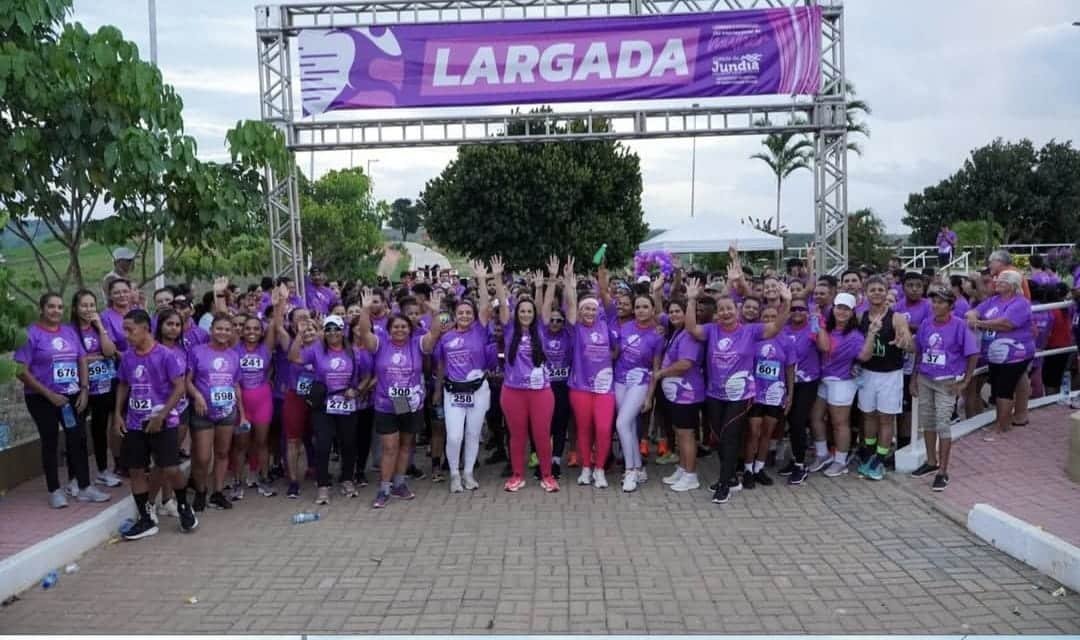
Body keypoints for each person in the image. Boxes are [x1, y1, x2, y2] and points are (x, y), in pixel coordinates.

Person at [683, 258, 791, 505]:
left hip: (741, 395)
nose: (725, 313)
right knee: (720, 438)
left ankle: (724, 484)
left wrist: (786, 302)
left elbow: (775, 328)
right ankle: (731, 476)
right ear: (717, 314)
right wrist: (690, 300)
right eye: (721, 310)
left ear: (737, 310)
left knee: (730, 436)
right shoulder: (711, 330)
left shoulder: (750, 331)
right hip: (714, 394)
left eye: (729, 309)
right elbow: (691, 328)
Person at [15, 293, 111, 507]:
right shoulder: (30, 334)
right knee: (50, 440)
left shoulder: (69, 331)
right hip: (41, 398)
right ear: (42, 309)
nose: (56, 311)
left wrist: (84, 390)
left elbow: (82, 359)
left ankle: (84, 487)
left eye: (59, 307)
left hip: (71, 396)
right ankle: (55, 490)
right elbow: (21, 370)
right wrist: (49, 395)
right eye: (51, 306)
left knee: (77, 439)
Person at [354, 290, 443, 509]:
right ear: (389, 329)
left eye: (404, 326)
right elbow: (364, 332)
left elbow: (434, 334)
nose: (400, 330)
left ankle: (400, 483)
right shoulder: (381, 344)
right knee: (389, 447)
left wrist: (435, 312)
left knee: (405, 445)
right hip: (385, 403)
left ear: (410, 329)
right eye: (395, 327)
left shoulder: (417, 344)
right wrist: (365, 310)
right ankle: (384, 488)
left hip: (407, 402)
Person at [113, 309, 197, 539]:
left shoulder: (165, 355)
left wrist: (162, 416)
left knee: (170, 467)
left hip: (164, 422)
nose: (126, 335)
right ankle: (146, 519)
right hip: (135, 423)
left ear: (145, 328)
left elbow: (179, 387)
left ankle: (183, 506)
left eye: (130, 330)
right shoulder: (128, 357)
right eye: (124, 330)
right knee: (136, 469)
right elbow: (123, 384)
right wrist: (118, 414)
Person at [497, 256, 560, 492]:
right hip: (513, 392)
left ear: (534, 313)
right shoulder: (509, 328)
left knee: (542, 434)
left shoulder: (541, 327)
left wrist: (551, 278)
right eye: (522, 311)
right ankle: (517, 475)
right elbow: (503, 303)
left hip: (540, 392)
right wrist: (496, 277)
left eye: (529, 311)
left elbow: (547, 303)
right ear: (516, 313)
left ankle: (547, 475)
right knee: (517, 436)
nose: (525, 314)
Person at [909, 289, 979, 492]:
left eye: (940, 302)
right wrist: (913, 378)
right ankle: (931, 462)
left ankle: (943, 471)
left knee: (943, 424)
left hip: (947, 382)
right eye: (934, 302)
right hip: (925, 378)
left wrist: (965, 381)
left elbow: (973, 353)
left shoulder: (959, 325)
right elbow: (920, 352)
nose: (935, 305)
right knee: (928, 422)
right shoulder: (926, 324)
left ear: (950, 306)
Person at [433, 262, 492, 493]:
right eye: (461, 313)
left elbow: (486, 307)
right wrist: (437, 391)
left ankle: (468, 473)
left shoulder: (479, 330)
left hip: (478, 390)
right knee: (455, 436)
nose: (465, 316)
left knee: (473, 434)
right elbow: (441, 365)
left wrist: (482, 280)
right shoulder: (446, 337)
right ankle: (454, 475)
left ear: (474, 316)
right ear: (455, 315)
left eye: (469, 313)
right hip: (453, 392)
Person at [291, 314, 361, 504]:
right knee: (323, 444)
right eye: (328, 329)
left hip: (346, 403)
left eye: (336, 329)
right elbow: (294, 358)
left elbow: (365, 376)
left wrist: (356, 390)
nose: (332, 333)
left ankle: (347, 479)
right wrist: (299, 335)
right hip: (323, 404)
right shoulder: (316, 349)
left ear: (343, 331)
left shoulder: (353, 352)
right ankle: (323, 485)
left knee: (348, 443)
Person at [562, 257, 618, 490]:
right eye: (586, 308)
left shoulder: (606, 324)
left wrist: (602, 270)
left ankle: (599, 469)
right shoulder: (575, 328)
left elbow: (605, 294)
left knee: (603, 429)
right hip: (580, 387)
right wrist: (569, 283)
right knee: (583, 429)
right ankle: (586, 467)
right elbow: (570, 306)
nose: (589, 312)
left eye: (593, 309)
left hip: (604, 388)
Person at [854, 276, 913, 481]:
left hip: (890, 374)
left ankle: (880, 459)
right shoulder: (860, 317)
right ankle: (870, 454)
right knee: (868, 415)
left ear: (887, 292)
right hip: (867, 373)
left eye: (880, 289)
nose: (877, 293)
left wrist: (903, 341)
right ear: (865, 293)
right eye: (872, 290)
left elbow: (907, 340)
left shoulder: (897, 317)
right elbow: (855, 344)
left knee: (886, 418)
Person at [187, 313, 247, 511]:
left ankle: (218, 492)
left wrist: (242, 413)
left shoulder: (234, 355)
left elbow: (236, 384)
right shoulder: (197, 351)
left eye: (227, 330)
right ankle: (201, 490)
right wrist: (197, 396)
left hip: (227, 411)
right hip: (203, 411)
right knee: (202, 457)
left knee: (222, 453)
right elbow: (187, 381)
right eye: (219, 328)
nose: (223, 332)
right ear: (211, 330)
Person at [966, 270, 1034, 441]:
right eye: (998, 279)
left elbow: (1007, 323)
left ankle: (1001, 427)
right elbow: (973, 312)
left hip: (1015, 353)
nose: (997, 282)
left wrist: (979, 323)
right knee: (997, 387)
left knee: (1004, 389)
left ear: (1012, 285)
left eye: (1002, 281)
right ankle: (1004, 421)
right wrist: (973, 316)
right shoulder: (993, 300)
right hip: (995, 354)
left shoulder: (1020, 303)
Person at [235, 286, 285, 499]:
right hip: (242, 402)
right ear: (241, 331)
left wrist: (278, 304)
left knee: (262, 442)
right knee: (241, 445)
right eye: (248, 328)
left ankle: (263, 478)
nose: (252, 332)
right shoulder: (235, 347)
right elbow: (223, 318)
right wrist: (220, 296)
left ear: (261, 331)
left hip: (262, 400)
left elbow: (276, 324)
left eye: (256, 328)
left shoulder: (266, 348)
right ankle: (238, 482)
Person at [809, 293, 867, 477]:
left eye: (846, 309)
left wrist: (820, 323)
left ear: (852, 312)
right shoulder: (828, 328)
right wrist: (818, 322)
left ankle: (840, 461)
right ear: (833, 309)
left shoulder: (855, 336)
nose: (841, 312)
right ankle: (823, 454)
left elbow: (825, 347)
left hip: (842, 382)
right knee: (815, 417)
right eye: (839, 307)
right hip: (824, 379)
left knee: (839, 423)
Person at [611, 291, 663, 492]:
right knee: (629, 426)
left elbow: (656, 369)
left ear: (653, 310)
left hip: (640, 382)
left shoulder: (658, 334)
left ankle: (630, 470)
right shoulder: (625, 328)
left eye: (645, 307)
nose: (641, 310)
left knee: (621, 423)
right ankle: (639, 468)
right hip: (619, 380)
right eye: (638, 307)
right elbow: (615, 353)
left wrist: (649, 397)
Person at [71, 289, 123, 489]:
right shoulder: (69, 330)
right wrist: (91, 358)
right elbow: (75, 358)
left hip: (103, 386)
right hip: (80, 388)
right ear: (75, 308)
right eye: (84, 305)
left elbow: (109, 352)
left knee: (100, 431)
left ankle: (102, 471)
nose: (88, 309)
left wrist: (100, 327)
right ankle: (75, 477)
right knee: (77, 434)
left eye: (92, 305)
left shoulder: (98, 327)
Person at [658, 298, 706, 492]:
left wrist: (661, 373)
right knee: (680, 432)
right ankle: (683, 468)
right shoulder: (677, 332)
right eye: (671, 312)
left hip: (688, 393)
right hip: (677, 393)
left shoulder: (689, 335)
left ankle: (691, 475)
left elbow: (685, 363)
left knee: (687, 434)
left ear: (688, 313)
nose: (673, 315)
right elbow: (658, 313)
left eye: (678, 311)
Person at [743, 305, 794, 489]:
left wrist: (790, 394)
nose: (770, 320)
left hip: (775, 393)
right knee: (753, 433)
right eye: (766, 317)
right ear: (760, 319)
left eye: (773, 316)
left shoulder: (786, 340)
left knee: (767, 433)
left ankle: (759, 468)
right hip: (755, 393)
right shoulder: (753, 337)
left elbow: (790, 369)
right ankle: (748, 469)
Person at [779, 293, 824, 485]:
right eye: (793, 309)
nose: (797, 312)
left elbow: (823, 347)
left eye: (801, 309)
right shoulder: (783, 329)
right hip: (786, 382)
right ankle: (794, 459)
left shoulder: (812, 328)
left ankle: (800, 464)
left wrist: (817, 322)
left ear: (807, 311)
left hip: (807, 382)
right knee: (790, 422)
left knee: (798, 421)